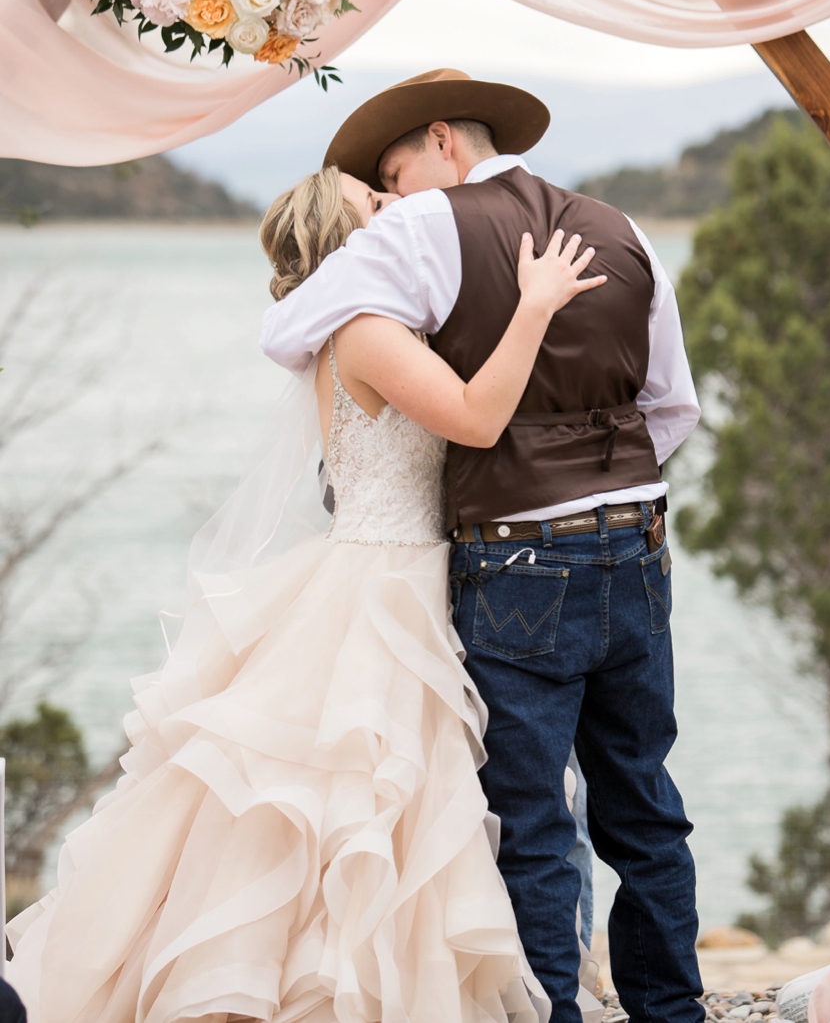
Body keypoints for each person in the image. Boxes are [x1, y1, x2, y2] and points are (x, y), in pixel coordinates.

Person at [7, 165, 604, 1023]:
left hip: (398, 570)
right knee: (363, 806)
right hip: (385, 583)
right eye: (376, 201)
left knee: (382, 812)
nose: (397, 207)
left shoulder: (372, 323)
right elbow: (474, 417)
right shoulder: (362, 327)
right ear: (349, 234)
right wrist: (536, 305)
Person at [260, 68, 705, 1023]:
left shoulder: (426, 228)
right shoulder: (623, 228)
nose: (391, 198)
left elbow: (293, 323)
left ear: (441, 143)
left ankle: (556, 1015)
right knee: (647, 804)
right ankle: (674, 1012)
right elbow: (673, 405)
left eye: (393, 171)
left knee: (534, 819)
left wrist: (536, 483)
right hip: (637, 539)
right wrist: (599, 476)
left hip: (517, 555)